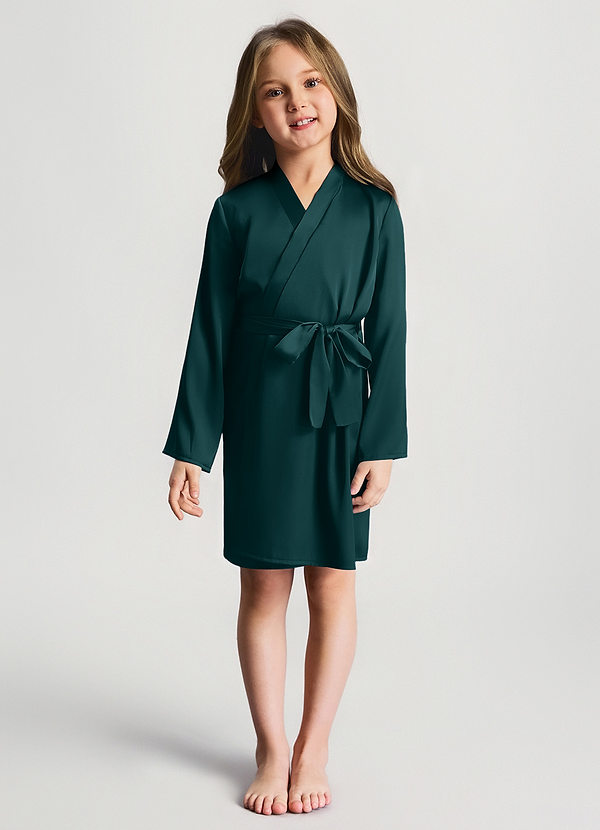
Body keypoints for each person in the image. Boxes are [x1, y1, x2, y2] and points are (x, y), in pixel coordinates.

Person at [162, 17, 408, 816]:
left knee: (333, 583)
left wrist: (382, 444)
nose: (297, 101)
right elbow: (209, 333)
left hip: (340, 415)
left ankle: (315, 743)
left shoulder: (375, 209)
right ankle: (271, 744)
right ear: (256, 113)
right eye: (275, 91)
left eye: (310, 82)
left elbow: (391, 332)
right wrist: (192, 447)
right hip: (261, 414)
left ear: (336, 92)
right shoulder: (236, 213)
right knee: (264, 585)